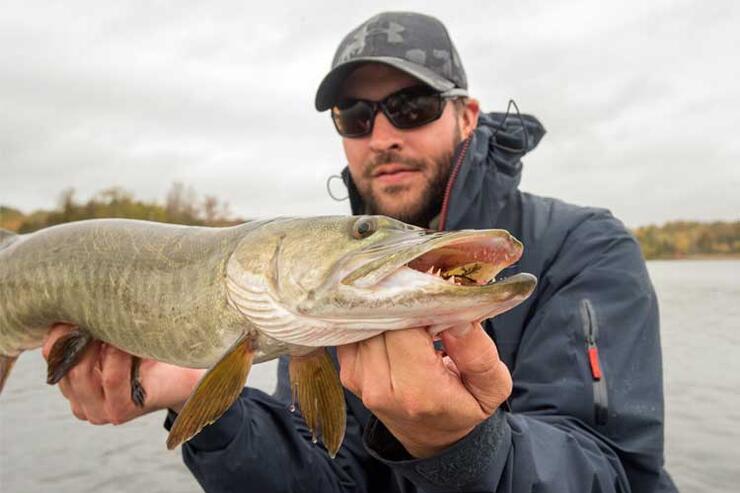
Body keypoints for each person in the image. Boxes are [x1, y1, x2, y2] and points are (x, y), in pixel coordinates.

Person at [43, 11, 677, 492]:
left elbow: (617, 473)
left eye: (411, 106)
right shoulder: (321, 288)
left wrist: (465, 446)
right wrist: (209, 403)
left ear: (466, 115)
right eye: (355, 115)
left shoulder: (584, 248)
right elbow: (329, 479)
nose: (383, 135)